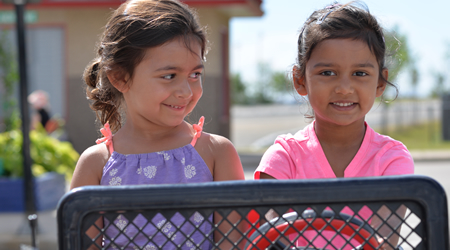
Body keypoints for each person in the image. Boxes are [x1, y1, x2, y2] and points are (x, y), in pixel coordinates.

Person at [70, 0, 245, 249]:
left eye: (195, 74)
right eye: (169, 76)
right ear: (120, 77)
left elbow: (234, 243)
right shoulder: (96, 164)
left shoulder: (216, 152)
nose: (186, 91)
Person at [254, 2, 414, 250]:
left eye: (360, 73)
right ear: (300, 80)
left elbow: (384, 243)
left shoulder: (391, 159)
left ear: (381, 83)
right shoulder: (283, 158)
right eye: (328, 73)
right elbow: (276, 242)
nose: (344, 88)